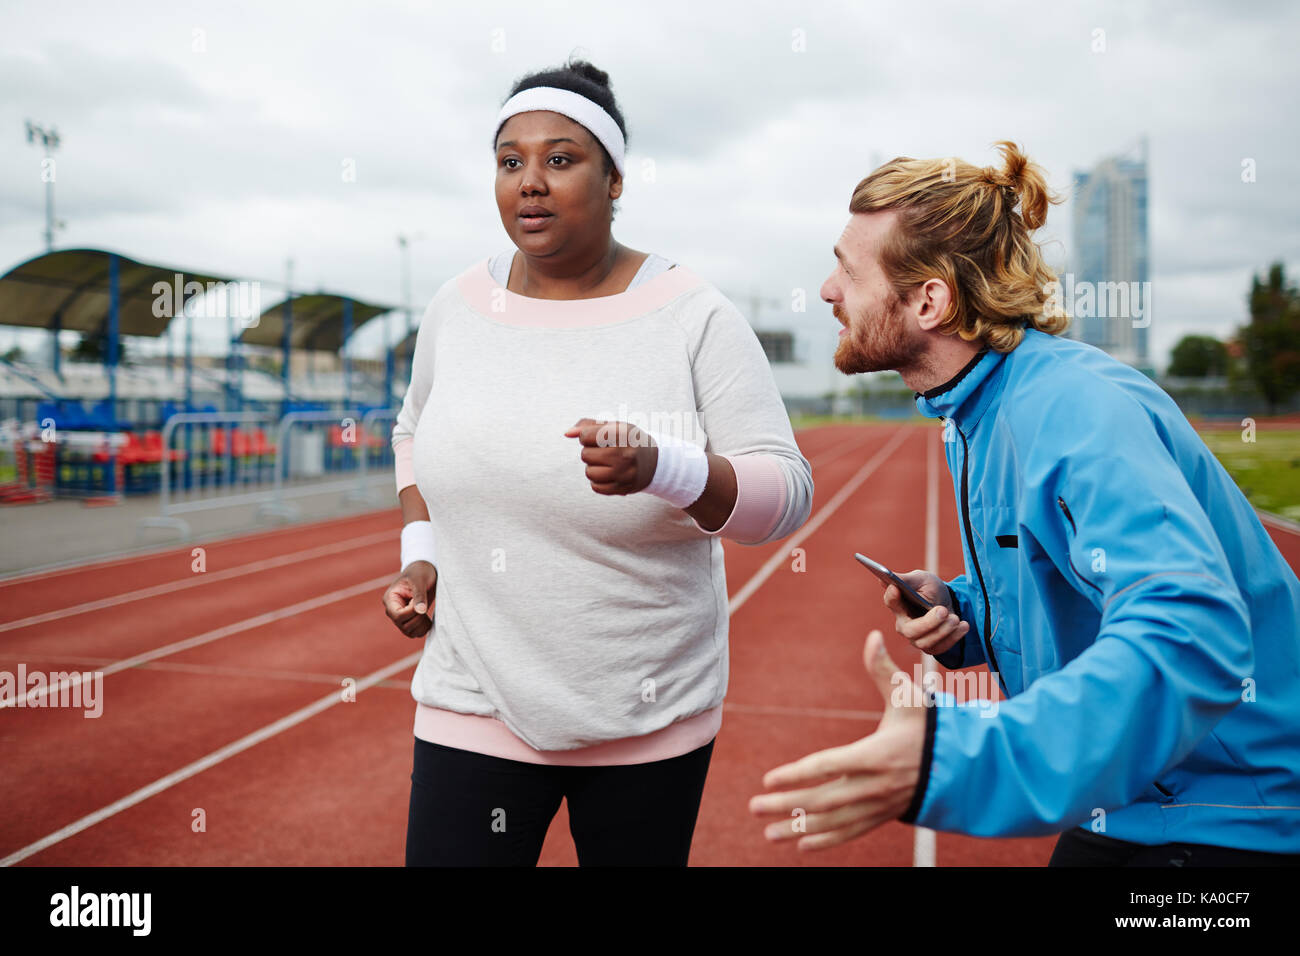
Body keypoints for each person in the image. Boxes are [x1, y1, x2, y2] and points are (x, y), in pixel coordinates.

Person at [749, 141, 1300, 865]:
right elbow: (1076, 576)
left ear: (929, 300)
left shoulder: (1075, 409)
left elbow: (1194, 633)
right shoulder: (977, 412)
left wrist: (950, 760)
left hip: (1229, 816)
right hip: (1136, 801)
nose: (826, 290)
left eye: (847, 269)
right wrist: (966, 613)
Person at [383, 56, 813, 866]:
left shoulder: (693, 315)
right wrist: (422, 555)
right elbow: (412, 430)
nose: (530, 182)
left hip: (644, 716)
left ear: (615, 180)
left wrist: (667, 468)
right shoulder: (456, 307)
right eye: (510, 162)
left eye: (560, 159)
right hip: (470, 697)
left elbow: (786, 495)